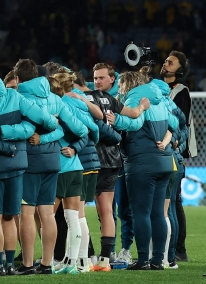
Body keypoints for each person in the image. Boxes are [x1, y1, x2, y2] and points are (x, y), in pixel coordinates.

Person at [0, 69, 58, 276]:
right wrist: (38, 127)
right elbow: (45, 120)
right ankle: (11, 265)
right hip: (17, 164)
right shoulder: (14, 96)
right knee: (10, 216)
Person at [13, 59, 87, 275]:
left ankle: (27, 264)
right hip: (53, 162)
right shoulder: (55, 99)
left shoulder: (19, 97)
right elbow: (79, 129)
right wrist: (56, 140)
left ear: (17, 78)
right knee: (47, 215)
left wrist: (40, 139)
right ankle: (47, 264)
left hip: (29, 161)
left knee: (26, 214)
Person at [108, 70, 174, 270]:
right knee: (157, 214)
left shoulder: (137, 98)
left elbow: (134, 123)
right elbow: (176, 124)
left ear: (128, 85)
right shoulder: (161, 100)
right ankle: (158, 260)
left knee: (141, 213)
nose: (119, 89)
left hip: (142, 162)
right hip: (164, 162)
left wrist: (115, 120)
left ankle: (143, 259)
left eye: (120, 86)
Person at [84, 63, 126, 271]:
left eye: (101, 78)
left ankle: (88, 256)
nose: (97, 81)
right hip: (113, 160)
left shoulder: (89, 98)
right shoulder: (112, 100)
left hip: (93, 160)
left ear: (112, 79)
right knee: (106, 210)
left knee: (78, 210)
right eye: (95, 77)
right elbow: (134, 116)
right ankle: (105, 259)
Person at [51, 72, 92, 274]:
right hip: (76, 168)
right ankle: (72, 264)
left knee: (47, 217)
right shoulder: (71, 107)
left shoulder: (55, 107)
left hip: (59, 168)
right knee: (73, 218)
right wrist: (75, 148)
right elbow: (86, 131)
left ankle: (47, 261)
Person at [162, 51, 193, 263]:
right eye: (165, 61)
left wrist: (176, 146)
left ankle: (178, 248)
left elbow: (180, 124)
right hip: (158, 149)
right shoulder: (156, 86)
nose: (165, 64)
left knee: (174, 200)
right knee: (169, 201)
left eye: (171, 62)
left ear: (179, 69)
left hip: (174, 150)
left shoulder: (182, 92)